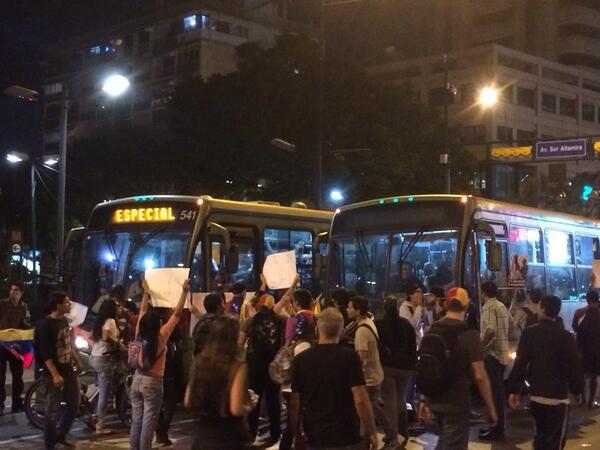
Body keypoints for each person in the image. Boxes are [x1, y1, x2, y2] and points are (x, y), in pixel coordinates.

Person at [417, 287, 497, 450]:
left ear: (446, 305)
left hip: (434, 399)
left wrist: (423, 399)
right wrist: (490, 407)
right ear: (467, 306)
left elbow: (427, 364)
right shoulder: (469, 335)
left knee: (446, 441)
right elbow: (480, 376)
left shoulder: (433, 329)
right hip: (456, 402)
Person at [290, 307, 379, 450]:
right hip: (347, 433)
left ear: (317, 331)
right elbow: (360, 399)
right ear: (342, 332)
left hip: (315, 434)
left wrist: (297, 434)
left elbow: (295, 403)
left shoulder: (301, 360)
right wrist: (371, 430)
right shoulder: (350, 358)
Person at [508, 295, 584, 450]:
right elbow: (575, 366)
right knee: (555, 441)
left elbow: (520, 363)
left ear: (542, 309)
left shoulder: (529, 333)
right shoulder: (566, 337)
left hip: (537, 396)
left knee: (540, 437)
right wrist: (577, 391)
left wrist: (514, 390)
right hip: (558, 398)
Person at [130, 279, 188, 450]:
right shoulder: (161, 336)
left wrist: (146, 293)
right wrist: (184, 292)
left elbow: (142, 311)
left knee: (137, 420)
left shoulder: (139, 333)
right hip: (152, 382)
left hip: (136, 379)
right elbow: (176, 316)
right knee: (149, 421)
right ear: (157, 325)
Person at [185, 315, 253, 450]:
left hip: (202, 435)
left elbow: (187, 400)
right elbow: (235, 408)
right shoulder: (237, 366)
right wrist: (249, 405)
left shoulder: (199, 362)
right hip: (229, 436)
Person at [347, 296, 397, 448]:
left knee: (364, 409)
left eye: (350, 307)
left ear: (358, 310)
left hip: (368, 377)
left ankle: (365, 440)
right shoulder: (369, 322)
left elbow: (360, 358)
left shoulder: (361, 330)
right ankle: (391, 434)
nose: (347, 310)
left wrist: (352, 378)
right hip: (375, 374)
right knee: (373, 406)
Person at [34, 292, 81, 450]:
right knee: (52, 411)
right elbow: (45, 354)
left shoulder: (64, 321)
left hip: (69, 371)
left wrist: (76, 360)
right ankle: (49, 444)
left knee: (74, 405)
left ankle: (60, 435)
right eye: (67, 302)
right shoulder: (44, 325)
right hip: (53, 375)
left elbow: (68, 344)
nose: (70, 305)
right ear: (58, 305)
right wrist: (55, 374)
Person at [239, 293, 285, 445]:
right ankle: (275, 433)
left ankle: (251, 433)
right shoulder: (281, 320)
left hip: (254, 366)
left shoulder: (250, 321)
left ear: (259, 305)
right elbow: (285, 342)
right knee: (274, 400)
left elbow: (239, 344)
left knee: (254, 399)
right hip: (273, 366)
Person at [375, 297, 416, 449]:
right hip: (406, 368)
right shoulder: (406, 324)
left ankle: (393, 436)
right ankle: (403, 432)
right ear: (397, 308)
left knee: (390, 401)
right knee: (401, 399)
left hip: (387, 367)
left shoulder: (379, 324)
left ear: (384, 308)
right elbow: (413, 346)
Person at [279, 306, 315, 450]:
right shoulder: (304, 345)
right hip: (295, 390)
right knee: (296, 423)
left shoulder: (294, 341)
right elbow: (304, 372)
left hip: (289, 387)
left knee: (293, 423)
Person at [479, 281, 509, 441]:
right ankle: (497, 426)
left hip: (492, 355)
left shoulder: (488, 307)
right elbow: (510, 325)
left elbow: (490, 330)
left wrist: (481, 346)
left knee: (493, 394)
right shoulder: (502, 306)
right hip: (502, 355)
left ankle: (496, 429)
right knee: (498, 393)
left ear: (484, 293)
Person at [90, 299, 124, 435]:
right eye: (117, 306)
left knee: (101, 388)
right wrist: (118, 344)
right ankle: (100, 425)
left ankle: (93, 415)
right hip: (104, 358)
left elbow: (94, 338)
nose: (119, 308)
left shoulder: (100, 321)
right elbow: (105, 336)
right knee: (105, 393)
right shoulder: (110, 321)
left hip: (95, 356)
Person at [0, 282, 31, 414]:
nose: (13, 292)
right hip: (2, 343)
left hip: (16, 345)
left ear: (21, 293)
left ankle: (16, 403)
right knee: (0, 375)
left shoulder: (24, 307)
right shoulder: (2, 304)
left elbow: (27, 323)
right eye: (12, 289)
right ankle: (0, 404)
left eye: (16, 290)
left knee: (18, 375)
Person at [574, 290, 600, 408]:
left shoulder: (579, 312)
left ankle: (583, 400)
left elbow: (575, 328)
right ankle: (591, 401)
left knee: (583, 376)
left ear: (587, 299)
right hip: (597, 350)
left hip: (582, 350)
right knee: (594, 376)